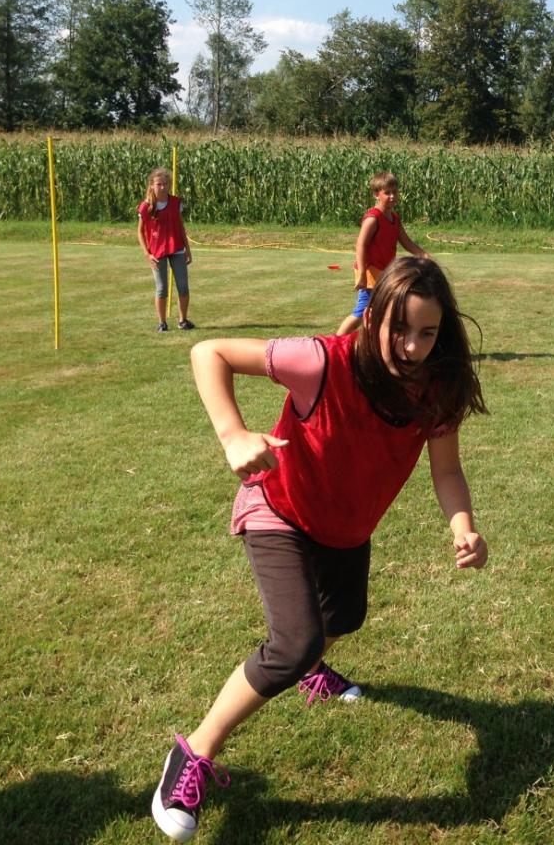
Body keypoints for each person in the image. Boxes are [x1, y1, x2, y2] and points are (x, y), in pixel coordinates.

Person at [151, 257, 489, 842]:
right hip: (279, 509)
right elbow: (210, 353)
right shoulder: (322, 361)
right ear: (373, 315)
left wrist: (464, 525)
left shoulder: (435, 388)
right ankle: (194, 751)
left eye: (428, 332)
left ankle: (311, 671)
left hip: (346, 528)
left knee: (346, 616)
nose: (412, 346)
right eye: (400, 328)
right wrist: (233, 435)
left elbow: (447, 470)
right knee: (296, 642)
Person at [337, 172, 429, 336]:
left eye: (395, 192)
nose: (392, 196)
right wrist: (362, 275)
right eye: (387, 193)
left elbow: (406, 242)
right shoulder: (373, 218)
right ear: (376, 194)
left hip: (385, 272)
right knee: (362, 311)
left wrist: (423, 255)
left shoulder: (394, 218)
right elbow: (360, 245)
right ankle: (335, 342)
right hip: (370, 272)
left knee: (387, 307)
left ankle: (379, 340)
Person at [137, 167, 194, 332]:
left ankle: (183, 320)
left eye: (165, 184)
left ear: (169, 185)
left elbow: (181, 227)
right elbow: (140, 232)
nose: (162, 187)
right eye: (159, 184)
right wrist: (147, 254)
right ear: (152, 185)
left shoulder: (176, 203)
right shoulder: (146, 206)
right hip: (157, 252)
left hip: (177, 248)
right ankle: (162, 323)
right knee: (161, 289)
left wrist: (188, 249)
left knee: (183, 287)